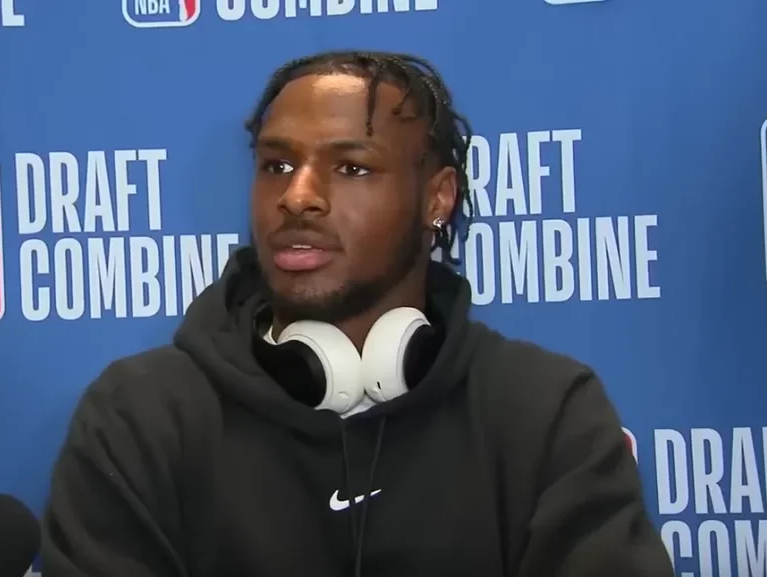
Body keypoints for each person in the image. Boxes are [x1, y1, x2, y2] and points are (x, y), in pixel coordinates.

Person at [41, 51, 673, 577]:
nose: (297, 196)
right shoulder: (140, 419)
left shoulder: (545, 412)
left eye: (351, 167)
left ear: (438, 198)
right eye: (277, 165)